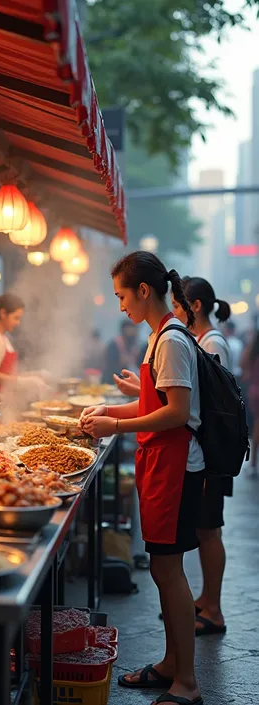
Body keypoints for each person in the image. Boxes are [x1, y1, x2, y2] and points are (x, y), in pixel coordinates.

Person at [80, 251, 204, 705]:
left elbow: (176, 412)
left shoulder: (170, 339)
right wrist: (109, 411)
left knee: (170, 572)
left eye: (121, 296)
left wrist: (114, 426)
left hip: (176, 468)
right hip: (159, 463)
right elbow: (154, 406)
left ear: (144, 291)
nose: (120, 306)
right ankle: (172, 664)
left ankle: (187, 683)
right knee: (160, 567)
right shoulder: (158, 337)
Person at [171, 276, 232, 637]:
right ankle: (204, 599)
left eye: (179, 306)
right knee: (205, 527)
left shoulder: (213, 343)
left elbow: (212, 405)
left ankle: (214, 609)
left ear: (195, 306)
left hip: (213, 453)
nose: (175, 312)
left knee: (210, 531)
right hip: (207, 451)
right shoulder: (202, 341)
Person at [0, 293, 50, 398]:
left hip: (7, 398)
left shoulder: (4, 337)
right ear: (2, 313)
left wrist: (34, 375)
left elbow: (9, 374)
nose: (18, 323)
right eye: (16, 318)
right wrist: (22, 381)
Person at [242, 330, 259, 473]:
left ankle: (253, 462)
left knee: (257, 425)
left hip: (254, 392)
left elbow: (243, 368)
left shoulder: (251, 352)